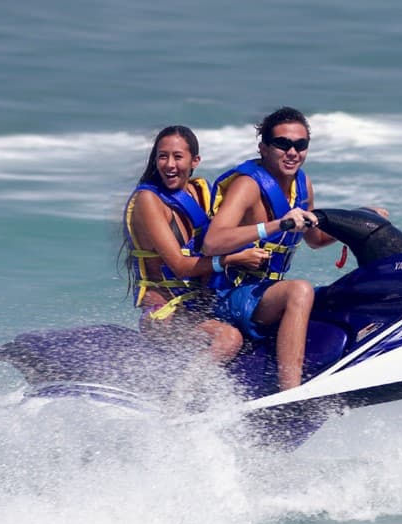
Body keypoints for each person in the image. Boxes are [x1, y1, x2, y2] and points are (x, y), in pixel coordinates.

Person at [201, 107, 335, 390]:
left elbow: (315, 239)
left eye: (300, 145)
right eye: (282, 144)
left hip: (264, 293)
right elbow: (212, 242)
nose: (292, 152)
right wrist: (276, 225)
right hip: (230, 294)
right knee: (300, 290)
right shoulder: (248, 185)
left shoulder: (302, 183)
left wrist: (363, 221)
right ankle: (291, 395)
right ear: (263, 148)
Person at [121, 125, 267, 363]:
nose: (169, 164)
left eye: (178, 157)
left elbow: (225, 236)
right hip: (164, 313)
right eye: (163, 156)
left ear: (195, 161)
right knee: (229, 339)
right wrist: (233, 260)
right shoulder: (148, 200)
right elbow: (180, 266)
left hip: (200, 305)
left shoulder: (200, 191)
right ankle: (181, 396)